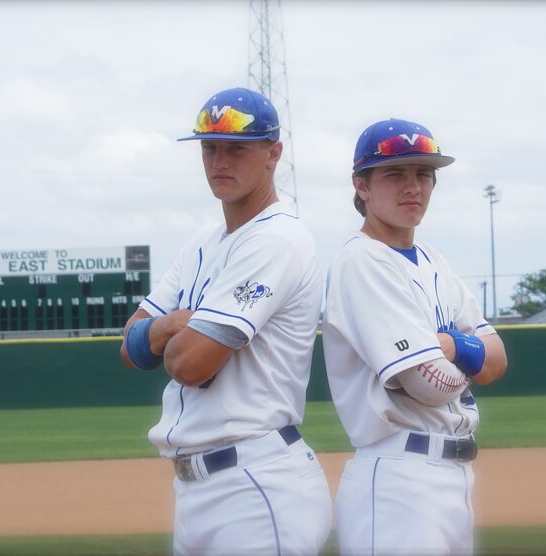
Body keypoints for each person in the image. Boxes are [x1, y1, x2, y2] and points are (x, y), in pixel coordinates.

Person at [120, 87, 332, 555]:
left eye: (237, 148)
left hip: (257, 484)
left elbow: (189, 364)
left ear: (273, 153)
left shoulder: (278, 239)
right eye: (210, 147)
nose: (220, 161)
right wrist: (171, 324)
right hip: (200, 488)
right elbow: (130, 347)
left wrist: (166, 337)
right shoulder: (204, 240)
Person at [322, 118, 508, 555]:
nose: (413, 187)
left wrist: (451, 346)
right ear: (362, 186)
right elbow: (427, 384)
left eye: (423, 174)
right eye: (395, 174)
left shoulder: (433, 260)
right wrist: (464, 357)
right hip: (398, 480)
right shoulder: (361, 261)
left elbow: (498, 362)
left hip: (452, 477)